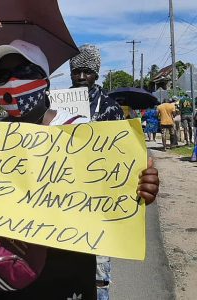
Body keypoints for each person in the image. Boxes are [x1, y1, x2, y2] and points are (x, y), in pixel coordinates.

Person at [0, 40, 160, 300]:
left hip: (67, 272)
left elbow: (113, 193)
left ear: (44, 81)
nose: (12, 82)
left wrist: (141, 188)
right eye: (2, 76)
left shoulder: (80, 132)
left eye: (23, 72)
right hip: (5, 275)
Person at [69, 44, 125, 300]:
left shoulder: (110, 107)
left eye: (86, 72)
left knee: (98, 276)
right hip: (64, 203)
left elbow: (121, 154)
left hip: (99, 202)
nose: (81, 77)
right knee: (65, 276)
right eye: (76, 72)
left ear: (96, 74)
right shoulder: (57, 105)